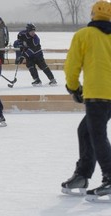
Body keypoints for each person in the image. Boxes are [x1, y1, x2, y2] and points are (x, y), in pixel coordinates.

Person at [61, 0, 111, 202]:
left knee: (97, 134)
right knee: (86, 130)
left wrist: (74, 88)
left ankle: (109, 176)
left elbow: (72, 65)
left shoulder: (83, 35)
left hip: (97, 95)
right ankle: (82, 176)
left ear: (92, 15)